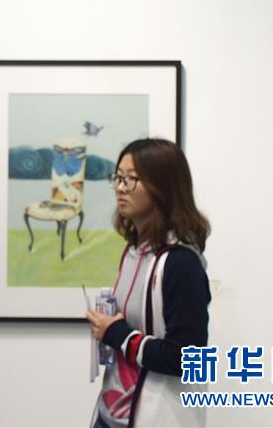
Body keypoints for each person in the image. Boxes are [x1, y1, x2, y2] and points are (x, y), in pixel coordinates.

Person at [87, 138, 211, 428]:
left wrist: (117, 333)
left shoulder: (181, 263)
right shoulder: (134, 250)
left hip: (154, 416)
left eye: (131, 179)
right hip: (112, 412)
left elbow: (187, 358)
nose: (120, 187)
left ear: (162, 187)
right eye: (118, 177)